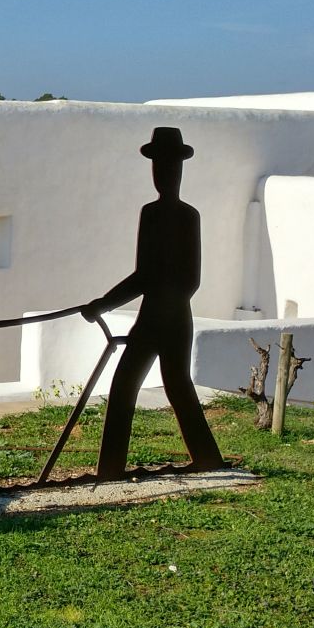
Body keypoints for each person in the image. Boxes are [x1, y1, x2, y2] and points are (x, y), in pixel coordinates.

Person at [81, 126, 224, 478]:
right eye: (158, 166)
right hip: (161, 316)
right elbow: (145, 273)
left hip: (169, 318)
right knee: (138, 386)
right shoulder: (151, 213)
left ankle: (118, 467)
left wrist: (105, 304)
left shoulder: (188, 216)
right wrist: (106, 303)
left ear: (179, 170)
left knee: (161, 385)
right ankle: (114, 467)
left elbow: (187, 279)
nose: (163, 174)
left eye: (169, 166)